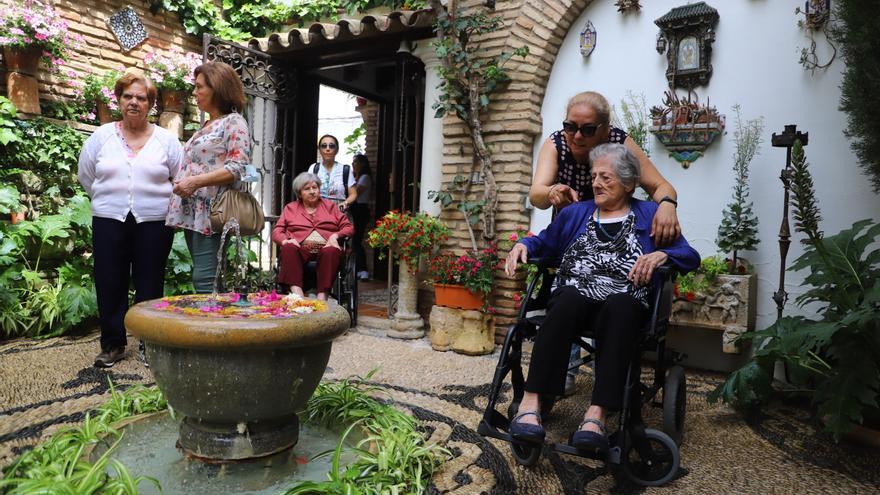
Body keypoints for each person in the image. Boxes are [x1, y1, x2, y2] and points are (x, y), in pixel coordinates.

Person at [505, 143, 699, 452]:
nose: (596, 183)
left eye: (605, 178)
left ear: (628, 183)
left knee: (622, 306)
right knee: (565, 298)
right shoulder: (576, 213)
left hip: (621, 304)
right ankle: (531, 403)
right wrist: (526, 246)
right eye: (594, 176)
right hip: (576, 301)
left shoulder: (649, 214)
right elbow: (546, 242)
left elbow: (689, 256)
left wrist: (662, 254)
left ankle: (597, 414)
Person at [531, 91, 683, 396]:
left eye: (587, 129)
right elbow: (536, 193)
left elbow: (661, 185)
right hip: (576, 230)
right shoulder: (556, 143)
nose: (576, 135)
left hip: (619, 230)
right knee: (570, 293)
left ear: (604, 128)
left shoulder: (620, 143)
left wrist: (667, 204)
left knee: (614, 298)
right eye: (570, 126)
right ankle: (563, 372)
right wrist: (552, 192)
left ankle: (607, 380)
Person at [78, 72, 183, 368]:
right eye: (128, 96)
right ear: (119, 100)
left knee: (150, 282)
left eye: (141, 97)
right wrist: (107, 200)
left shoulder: (167, 141)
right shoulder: (101, 137)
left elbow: (180, 178)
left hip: (154, 222)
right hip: (109, 219)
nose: (134, 102)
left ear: (151, 104)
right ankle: (113, 344)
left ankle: (150, 344)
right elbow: (86, 176)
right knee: (109, 280)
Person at [166, 61, 251, 293]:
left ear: (218, 88)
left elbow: (239, 167)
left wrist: (194, 182)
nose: (194, 92)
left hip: (214, 212)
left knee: (205, 279)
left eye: (200, 87)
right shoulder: (208, 124)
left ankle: (216, 326)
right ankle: (219, 324)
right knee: (210, 278)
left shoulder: (234, 122)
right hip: (195, 212)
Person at [272, 172, 354, 300]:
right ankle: (297, 294)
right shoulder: (291, 208)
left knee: (332, 251)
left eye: (314, 188)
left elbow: (348, 227)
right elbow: (277, 232)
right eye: (307, 189)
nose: (312, 191)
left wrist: (335, 236)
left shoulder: (330, 206)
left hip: (326, 248)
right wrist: (285, 241)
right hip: (301, 250)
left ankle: (322, 297)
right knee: (288, 248)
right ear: (299, 193)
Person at [310, 134, 357, 210]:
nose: (327, 149)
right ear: (319, 149)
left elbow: (353, 194)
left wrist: (345, 203)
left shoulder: (345, 169)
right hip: (317, 210)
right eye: (324, 146)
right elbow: (306, 190)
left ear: (337, 150)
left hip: (339, 211)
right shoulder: (314, 168)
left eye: (331, 146)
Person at [350, 153, 373, 281]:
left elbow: (355, 193)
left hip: (360, 209)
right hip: (356, 209)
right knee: (354, 241)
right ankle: (358, 269)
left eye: (356, 162)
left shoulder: (364, 177)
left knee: (357, 240)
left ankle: (363, 270)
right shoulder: (357, 177)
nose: (353, 164)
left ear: (362, 164)